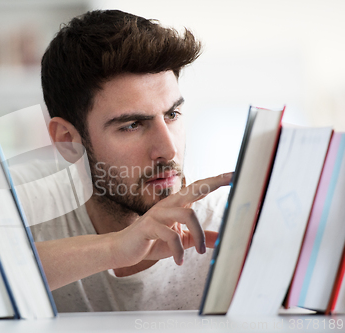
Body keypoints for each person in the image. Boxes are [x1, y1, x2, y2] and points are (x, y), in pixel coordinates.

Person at [13, 9, 232, 312]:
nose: (168, 150)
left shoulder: (227, 226)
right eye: (132, 125)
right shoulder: (26, 205)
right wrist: (116, 248)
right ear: (67, 139)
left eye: (172, 114)